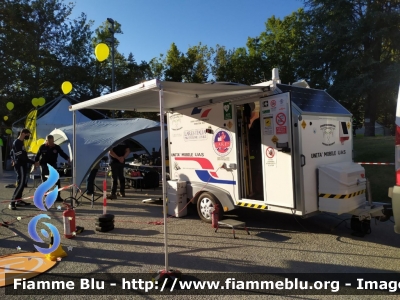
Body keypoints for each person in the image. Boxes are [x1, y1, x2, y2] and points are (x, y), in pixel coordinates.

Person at [35, 135, 70, 202]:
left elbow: (62, 153)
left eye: (53, 141)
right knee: (45, 182)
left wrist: (67, 158)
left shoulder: (56, 147)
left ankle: (58, 197)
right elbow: (37, 156)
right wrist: (35, 164)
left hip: (53, 165)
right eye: (50, 142)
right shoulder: (42, 147)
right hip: (44, 165)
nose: (52, 143)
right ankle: (46, 197)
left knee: (57, 181)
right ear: (47, 141)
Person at [9, 129, 36, 210]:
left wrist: (13, 158)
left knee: (23, 183)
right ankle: (12, 202)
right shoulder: (17, 143)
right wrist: (32, 162)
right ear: (23, 133)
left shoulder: (21, 142)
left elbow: (12, 152)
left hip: (23, 164)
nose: (28, 136)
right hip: (20, 165)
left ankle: (18, 200)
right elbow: (21, 157)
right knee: (21, 183)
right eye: (28, 134)